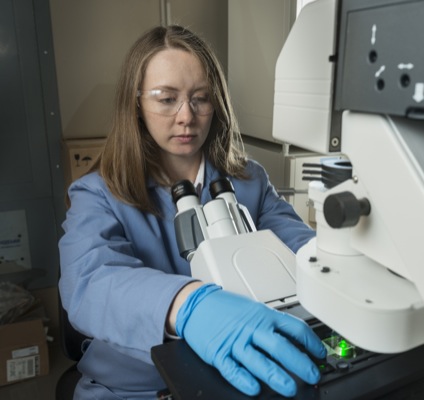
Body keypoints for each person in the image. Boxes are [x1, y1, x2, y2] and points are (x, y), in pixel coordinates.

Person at [58, 25, 326, 399]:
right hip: (138, 388)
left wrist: (338, 267)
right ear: (136, 103)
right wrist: (187, 305)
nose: (186, 116)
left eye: (200, 98)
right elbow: (89, 280)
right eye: (166, 99)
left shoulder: (248, 182)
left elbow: (302, 247)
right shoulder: (98, 193)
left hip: (240, 374)